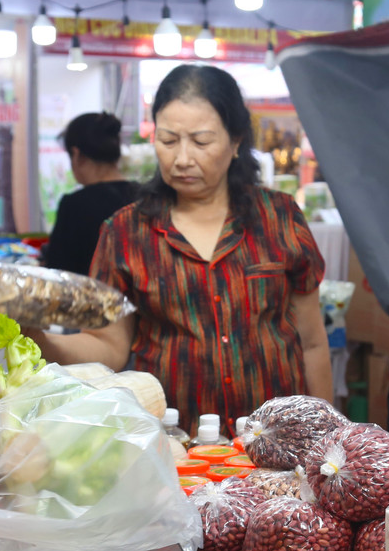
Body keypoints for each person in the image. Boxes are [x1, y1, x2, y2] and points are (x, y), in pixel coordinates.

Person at [31, 64, 332, 430]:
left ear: (236, 141)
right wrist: (37, 337)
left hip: (276, 444)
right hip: (173, 446)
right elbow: (108, 346)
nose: (182, 158)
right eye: (169, 140)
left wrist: (326, 436)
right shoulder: (126, 231)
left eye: (202, 141)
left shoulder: (279, 217)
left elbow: (312, 343)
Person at [43, 112, 138, 275]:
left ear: (76, 154)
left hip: (92, 299)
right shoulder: (144, 196)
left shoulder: (74, 206)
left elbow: (58, 273)